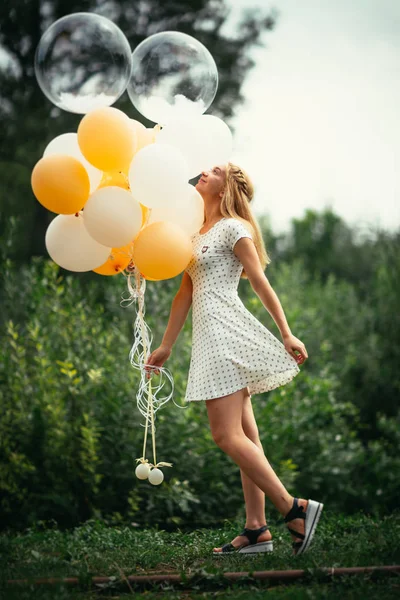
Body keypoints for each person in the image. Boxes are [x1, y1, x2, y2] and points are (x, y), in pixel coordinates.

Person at [144, 163, 323, 557]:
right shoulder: (194, 234)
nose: (203, 172)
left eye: (215, 170)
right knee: (246, 438)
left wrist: (286, 332)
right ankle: (257, 530)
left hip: (227, 334)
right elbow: (183, 295)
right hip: (207, 338)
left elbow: (260, 281)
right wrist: (166, 346)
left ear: (227, 186)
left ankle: (295, 509)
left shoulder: (233, 227)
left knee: (225, 435)